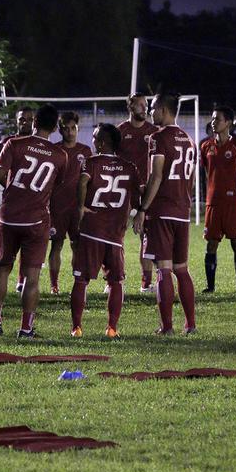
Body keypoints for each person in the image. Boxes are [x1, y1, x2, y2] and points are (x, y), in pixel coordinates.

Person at [0, 104, 67, 338]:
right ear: (54, 128)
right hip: (36, 220)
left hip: (10, 217)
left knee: (2, 268)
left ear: (34, 123)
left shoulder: (14, 144)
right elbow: (56, 186)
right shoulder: (60, 155)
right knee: (32, 276)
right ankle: (25, 328)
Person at [69, 123, 141, 338]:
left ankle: (77, 328)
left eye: (94, 137)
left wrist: (81, 206)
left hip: (92, 229)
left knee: (81, 279)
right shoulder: (130, 167)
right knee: (116, 281)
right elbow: (139, 196)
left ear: (101, 143)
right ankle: (112, 328)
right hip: (115, 233)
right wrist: (139, 213)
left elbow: (82, 183)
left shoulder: (91, 163)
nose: (91, 140)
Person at [135, 94, 198, 334]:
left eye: (152, 108)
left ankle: (167, 327)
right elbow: (190, 178)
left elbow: (156, 176)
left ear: (162, 110)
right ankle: (190, 325)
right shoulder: (189, 139)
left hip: (162, 210)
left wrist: (142, 209)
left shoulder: (158, 138)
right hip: (182, 210)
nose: (150, 112)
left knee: (164, 269)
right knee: (181, 268)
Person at [200, 104, 236, 293]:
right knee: (211, 243)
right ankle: (210, 287)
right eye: (212, 119)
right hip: (213, 202)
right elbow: (207, 171)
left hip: (232, 204)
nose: (213, 122)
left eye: (217, 119)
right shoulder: (206, 146)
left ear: (228, 122)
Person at [47, 110, 93, 294]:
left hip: (77, 206)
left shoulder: (85, 151)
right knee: (56, 244)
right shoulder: (55, 150)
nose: (70, 132)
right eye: (66, 128)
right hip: (57, 206)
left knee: (77, 245)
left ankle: (78, 282)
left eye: (73, 128)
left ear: (77, 128)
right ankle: (54, 285)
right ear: (60, 130)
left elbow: (90, 179)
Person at [118, 93, 159, 292]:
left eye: (146, 105)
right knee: (116, 235)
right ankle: (115, 280)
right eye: (140, 105)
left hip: (145, 192)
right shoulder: (120, 131)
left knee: (147, 236)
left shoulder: (153, 132)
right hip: (123, 192)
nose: (144, 108)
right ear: (130, 107)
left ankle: (146, 283)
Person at [11, 106, 36, 294]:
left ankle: (21, 281)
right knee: (6, 251)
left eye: (29, 119)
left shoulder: (39, 145)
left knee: (28, 247)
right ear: (16, 122)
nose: (25, 122)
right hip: (11, 204)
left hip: (34, 205)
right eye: (22, 119)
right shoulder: (8, 143)